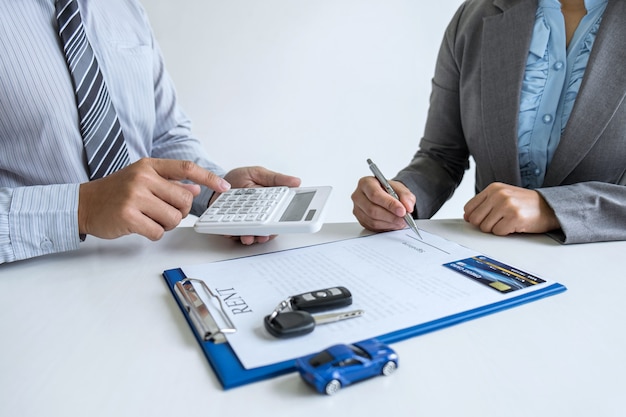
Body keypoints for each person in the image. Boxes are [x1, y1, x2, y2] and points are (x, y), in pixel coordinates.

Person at [0, 0, 300, 264]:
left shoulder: (125, 8)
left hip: (145, 264)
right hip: (30, 287)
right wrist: (82, 208)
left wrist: (217, 192)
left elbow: (164, 135)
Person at [352, 0, 626, 244]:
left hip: (605, 272)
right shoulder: (474, 17)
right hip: (493, 264)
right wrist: (401, 198)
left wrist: (552, 208)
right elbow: (441, 156)